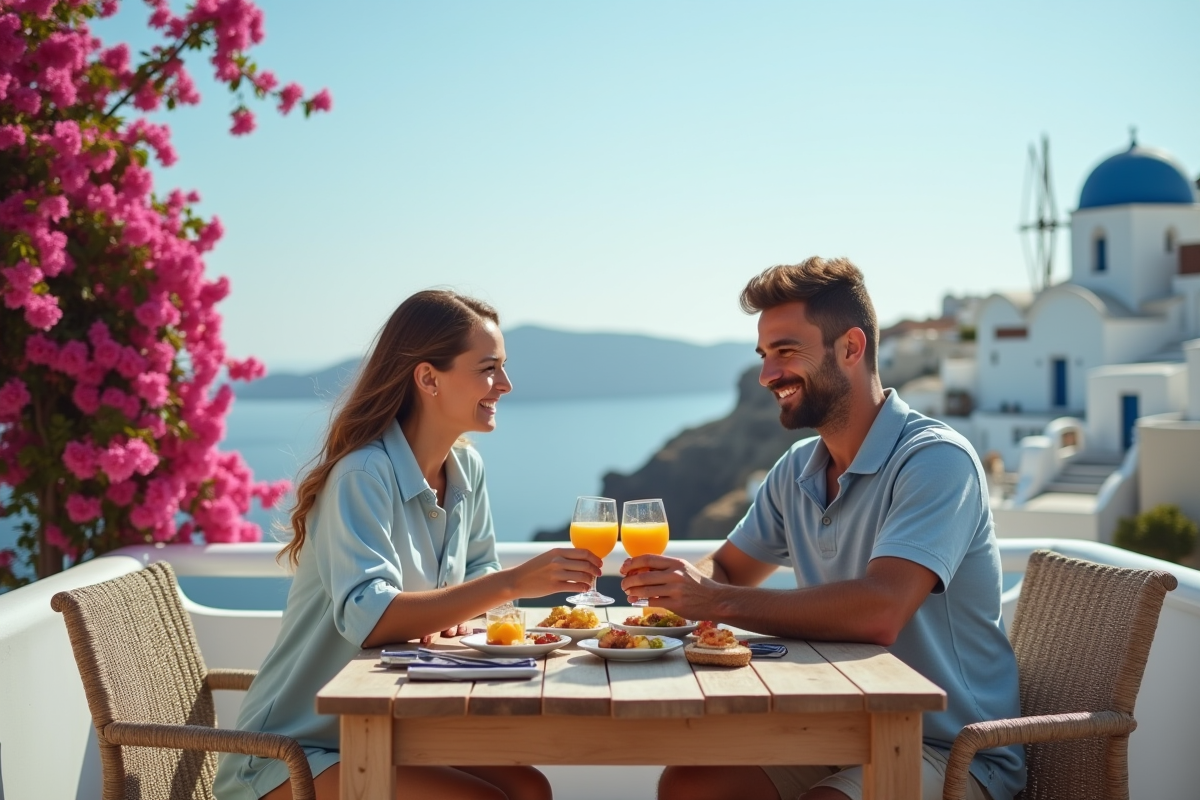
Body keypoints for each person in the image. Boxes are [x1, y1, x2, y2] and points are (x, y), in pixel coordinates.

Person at [621, 258, 1026, 800]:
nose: (768, 375)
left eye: (786, 351)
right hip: (841, 729)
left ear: (851, 348)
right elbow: (729, 567)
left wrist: (714, 601)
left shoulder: (935, 461)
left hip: (951, 751)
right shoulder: (797, 468)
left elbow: (881, 611)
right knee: (691, 786)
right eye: (764, 356)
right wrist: (673, 590)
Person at [215, 290, 601, 800]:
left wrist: (471, 603)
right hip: (292, 754)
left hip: (390, 728)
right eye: (488, 369)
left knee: (530, 788)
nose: (504, 385)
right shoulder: (363, 475)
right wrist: (514, 582)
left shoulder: (467, 470)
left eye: (502, 368)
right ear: (428, 378)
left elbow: (477, 577)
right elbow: (370, 619)